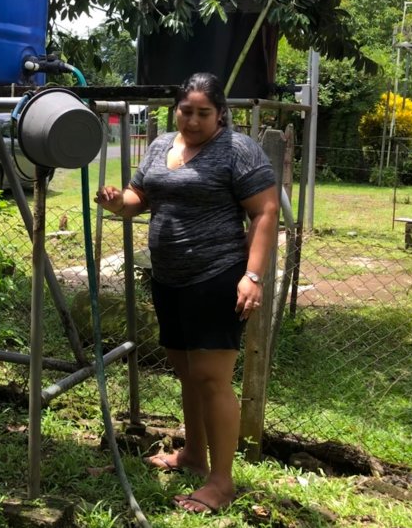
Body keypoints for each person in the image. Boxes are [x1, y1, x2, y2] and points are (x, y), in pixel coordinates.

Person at [94, 72, 279, 514]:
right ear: (175, 108)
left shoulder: (237, 150)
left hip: (217, 276)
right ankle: (194, 456)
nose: (192, 121)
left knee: (213, 379)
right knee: (188, 375)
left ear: (220, 114)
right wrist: (118, 202)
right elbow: (141, 196)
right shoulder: (161, 145)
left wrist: (252, 277)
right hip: (169, 279)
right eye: (186, 111)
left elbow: (266, 211)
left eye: (203, 113)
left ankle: (221, 482)